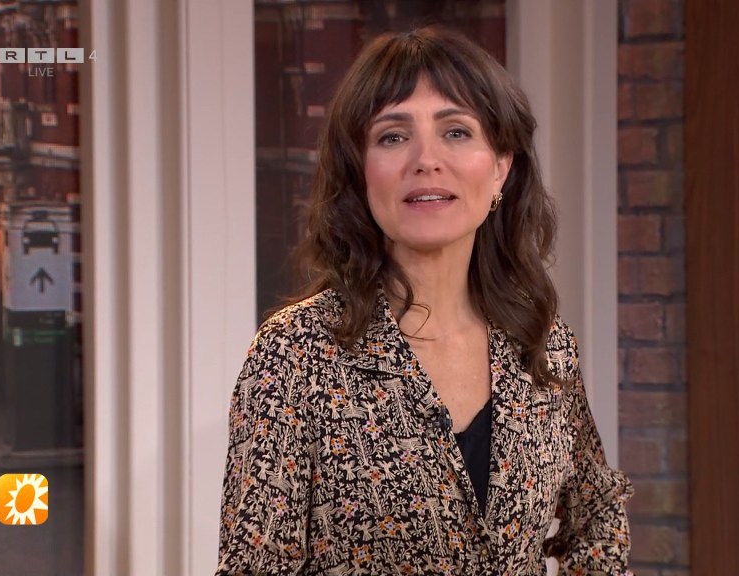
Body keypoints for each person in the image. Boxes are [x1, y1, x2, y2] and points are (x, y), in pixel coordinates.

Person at [216, 25, 632, 575]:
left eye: (456, 131)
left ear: (501, 167)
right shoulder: (294, 353)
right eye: (392, 137)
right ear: (360, 172)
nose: (425, 159)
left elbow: (598, 517)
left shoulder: (542, 343)